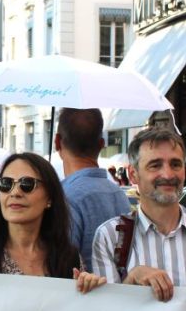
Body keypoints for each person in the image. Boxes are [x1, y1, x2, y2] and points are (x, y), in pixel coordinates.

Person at [91, 127, 186, 301]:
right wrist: (131, 280)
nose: (167, 174)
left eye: (175, 164)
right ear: (133, 174)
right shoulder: (110, 237)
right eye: (155, 165)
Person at [0, 152, 106, 295]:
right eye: (6, 184)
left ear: (50, 198)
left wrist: (89, 289)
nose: (15, 192)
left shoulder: (69, 258)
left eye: (27, 184)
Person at [55, 108, 131, 272]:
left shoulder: (64, 198)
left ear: (57, 142)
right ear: (101, 144)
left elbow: (61, 267)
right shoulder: (120, 195)